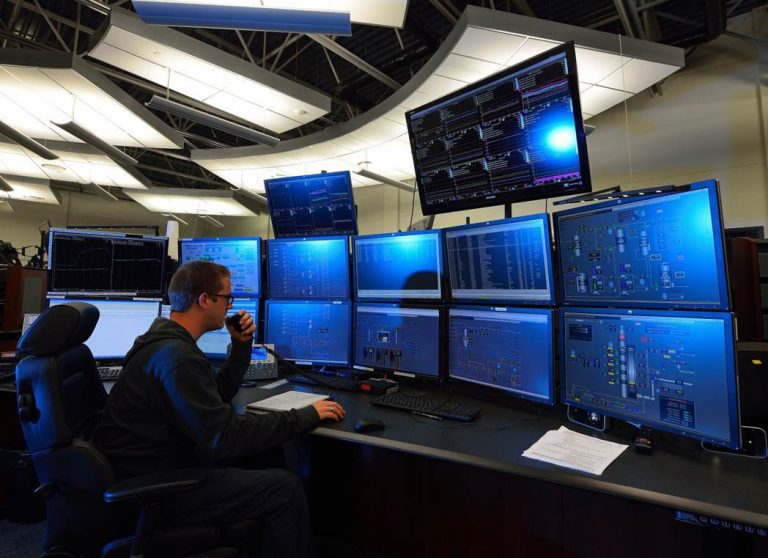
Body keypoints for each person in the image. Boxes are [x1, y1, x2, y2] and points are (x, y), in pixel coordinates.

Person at [93, 260, 345, 557]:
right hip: (161, 486)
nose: (230, 306)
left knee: (267, 458)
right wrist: (306, 415)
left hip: (151, 467)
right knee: (284, 489)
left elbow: (216, 396)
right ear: (204, 300)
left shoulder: (163, 341)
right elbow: (225, 437)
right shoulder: (177, 357)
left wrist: (240, 346)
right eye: (227, 297)